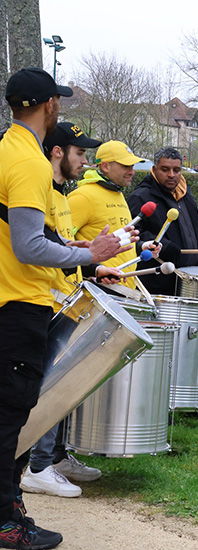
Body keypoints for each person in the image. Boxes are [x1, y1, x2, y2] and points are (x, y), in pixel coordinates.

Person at [0, 67, 127, 550]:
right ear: (49, 105)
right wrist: (87, 255)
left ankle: (10, 505)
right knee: (14, 418)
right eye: (60, 101)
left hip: (11, 301)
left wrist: (85, 263)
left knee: (11, 415)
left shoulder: (7, 149)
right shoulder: (29, 162)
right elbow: (30, 246)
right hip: (20, 305)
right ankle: (5, 519)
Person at [19, 123, 122, 501]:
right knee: (50, 386)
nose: (86, 161)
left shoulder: (61, 195)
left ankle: (54, 457)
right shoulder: (39, 191)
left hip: (67, 299)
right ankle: (37, 466)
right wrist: (88, 255)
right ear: (58, 152)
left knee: (64, 383)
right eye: (81, 154)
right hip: (41, 304)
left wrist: (94, 265)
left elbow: (59, 246)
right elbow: (35, 248)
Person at [127, 147, 198, 296]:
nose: (171, 175)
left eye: (176, 170)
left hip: (190, 282)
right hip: (158, 286)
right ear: (154, 169)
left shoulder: (186, 196)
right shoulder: (141, 197)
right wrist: (164, 246)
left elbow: (196, 232)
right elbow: (133, 235)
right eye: (165, 169)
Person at [68, 140, 155, 293]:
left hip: (122, 291)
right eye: (125, 166)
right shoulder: (83, 197)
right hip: (95, 294)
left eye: (132, 166)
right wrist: (95, 269)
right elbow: (60, 245)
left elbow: (115, 239)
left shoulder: (118, 194)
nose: (132, 171)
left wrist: (141, 246)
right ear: (106, 166)